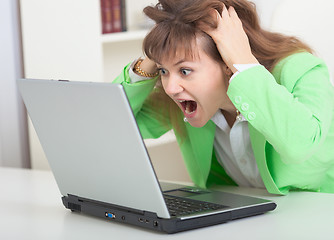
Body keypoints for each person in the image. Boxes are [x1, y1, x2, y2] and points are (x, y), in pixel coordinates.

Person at [112, 0, 334, 195]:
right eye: (163, 71)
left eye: (185, 71)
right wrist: (150, 61)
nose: (170, 88)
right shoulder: (183, 98)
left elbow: (301, 146)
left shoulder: (300, 70)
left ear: (227, 64)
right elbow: (110, 127)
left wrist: (244, 63)